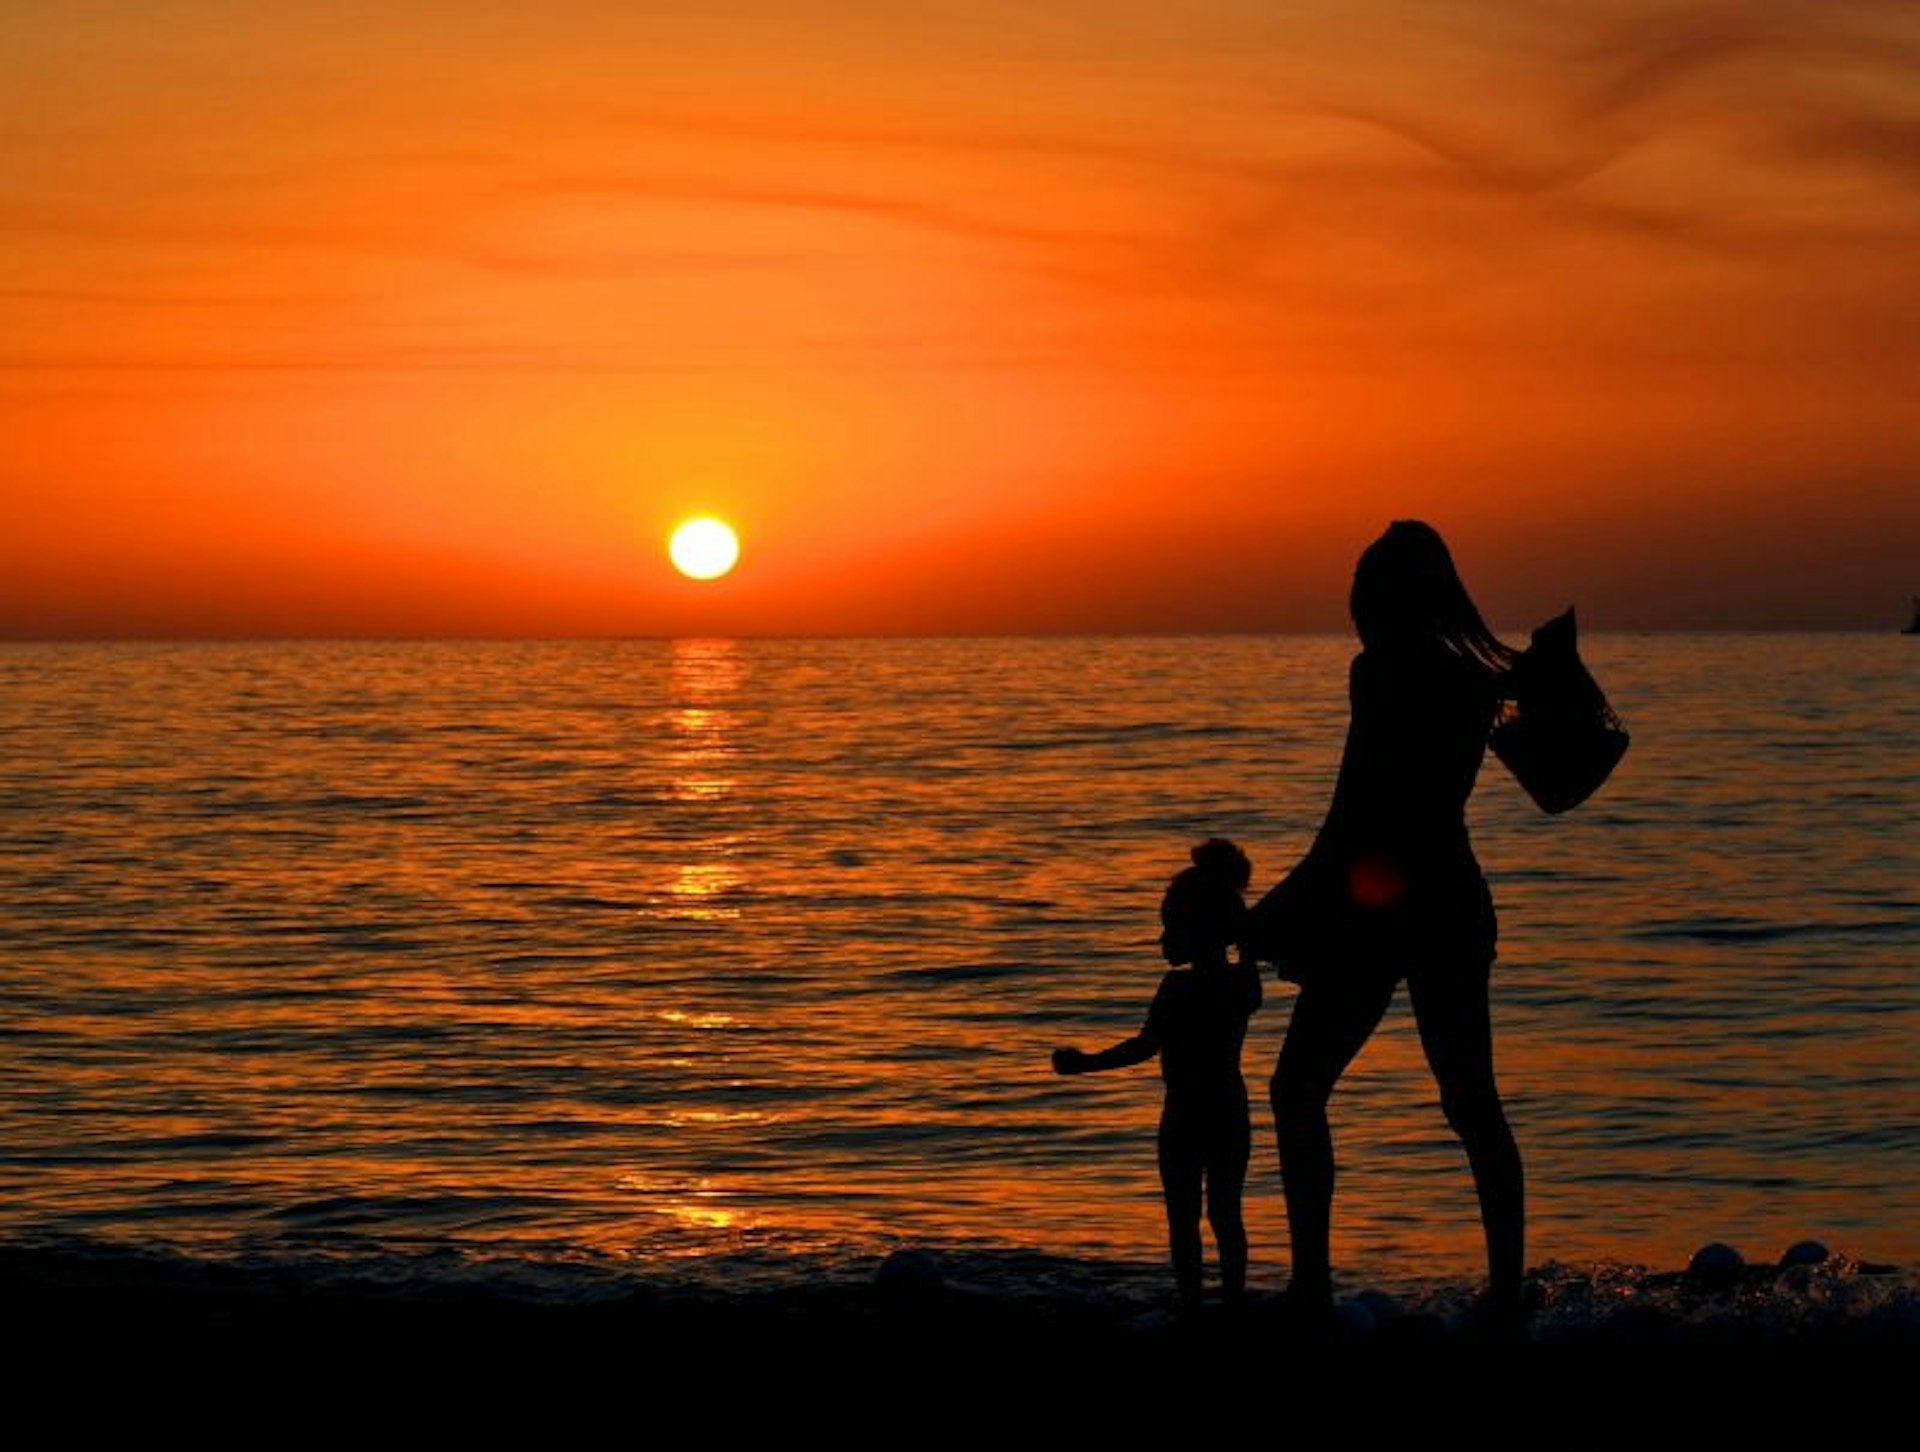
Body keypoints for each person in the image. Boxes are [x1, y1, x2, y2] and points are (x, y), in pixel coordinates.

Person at [1247, 520, 1525, 1321]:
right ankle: (1505, 1294)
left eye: (1364, 593)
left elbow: (1354, 813)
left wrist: (1277, 910)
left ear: (1386, 601)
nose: (1355, 609)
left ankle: (1311, 1289)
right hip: (1452, 902)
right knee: (1473, 1104)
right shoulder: (1477, 681)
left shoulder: (1378, 675)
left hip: (1381, 909)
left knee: (1298, 1088)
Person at [1053, 839, 1262, 1312]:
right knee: (1226, 1213)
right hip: (1230, 1108)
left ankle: (1191, 1305)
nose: (1163, 941)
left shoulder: (1178, 988)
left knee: (1184, 1216)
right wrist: (1241, 935)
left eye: (1171, 929)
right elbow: (1249, 948)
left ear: (1195, 930)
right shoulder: (1242, 983)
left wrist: (1084, 1063)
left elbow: (1143, 1047)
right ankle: (1233, 1303)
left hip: (1185, 1113)